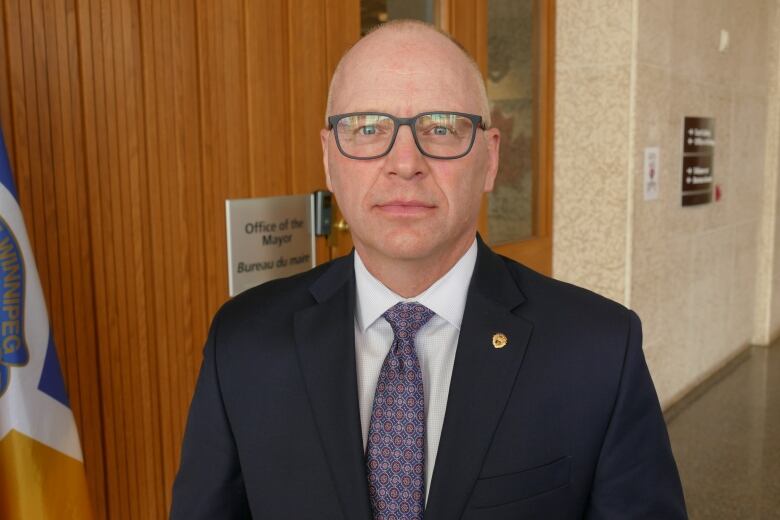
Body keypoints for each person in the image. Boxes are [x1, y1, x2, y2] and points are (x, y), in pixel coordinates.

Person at [170, 20, 686, 519]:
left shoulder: (598, 350)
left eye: (440, 128)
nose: (404, 162)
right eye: (368, 128)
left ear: (489, 158)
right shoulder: (241, 343)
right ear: (329, 159)